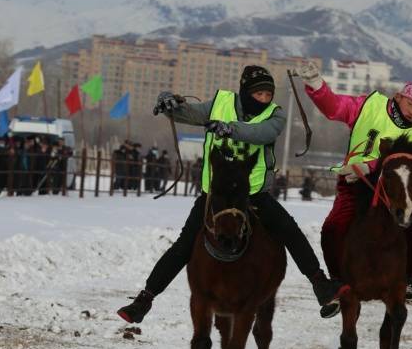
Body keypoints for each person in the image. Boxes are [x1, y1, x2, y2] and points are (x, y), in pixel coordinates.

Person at [117, 65, 344, 323]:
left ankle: (320, 284)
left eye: (268, 95)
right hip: (216, 195)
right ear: (246, 92)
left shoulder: (276, 115)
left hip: (253, 194)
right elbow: (187, 113)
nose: (264, 99)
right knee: (183, 246)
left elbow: (263, 134)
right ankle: (144, 299)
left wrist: (230, 129)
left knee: (290, 231)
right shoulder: (220, 103)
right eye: (258, 94)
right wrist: (168, 101)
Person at [296, 60, 412, 315]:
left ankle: (409, 278)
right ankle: (338, 285)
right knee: (333, 228)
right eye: (410, 103)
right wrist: (316, 84)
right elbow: (334, 107)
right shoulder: (367, 105)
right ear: (398, 97)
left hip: (392, 187)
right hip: (353, 183)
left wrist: (371, 166)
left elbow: (405, 161)